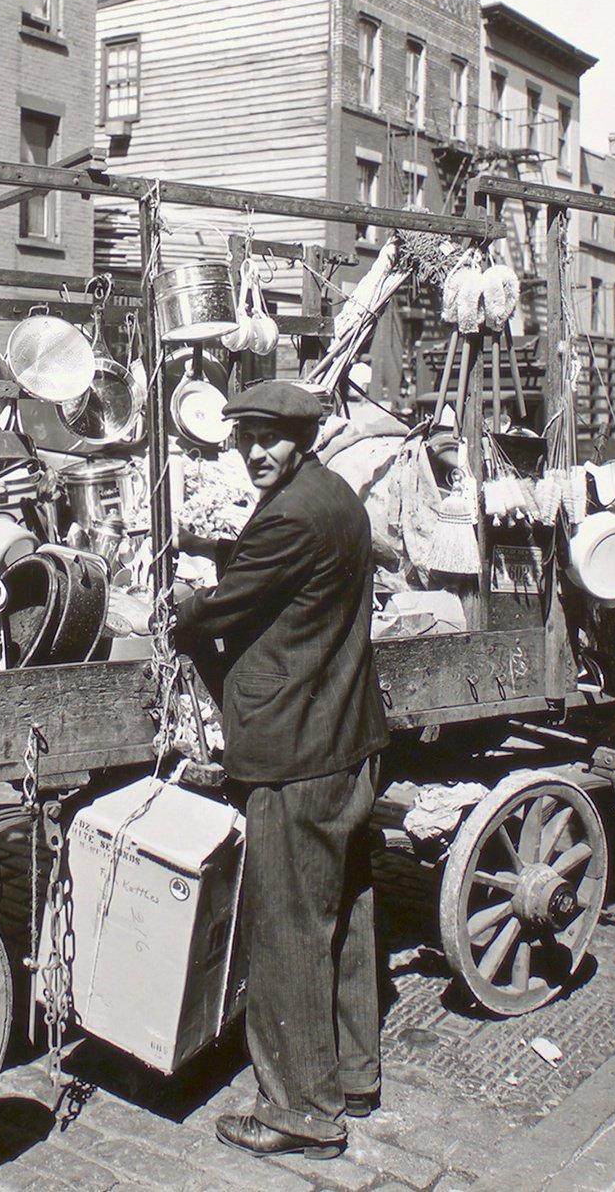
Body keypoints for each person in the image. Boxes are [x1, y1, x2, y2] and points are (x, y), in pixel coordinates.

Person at [173, 380, 390, 1160]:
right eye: (244, 438)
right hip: (348, 737)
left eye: (269, 437)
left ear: (303, 434)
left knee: (290, 926)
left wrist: (184, 605)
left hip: (298, 750)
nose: (253, 451)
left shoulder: (292, 515)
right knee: (346, 910)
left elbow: (220, 611)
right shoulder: (335, 495)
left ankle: (301, 1109)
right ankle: (354, 1074)